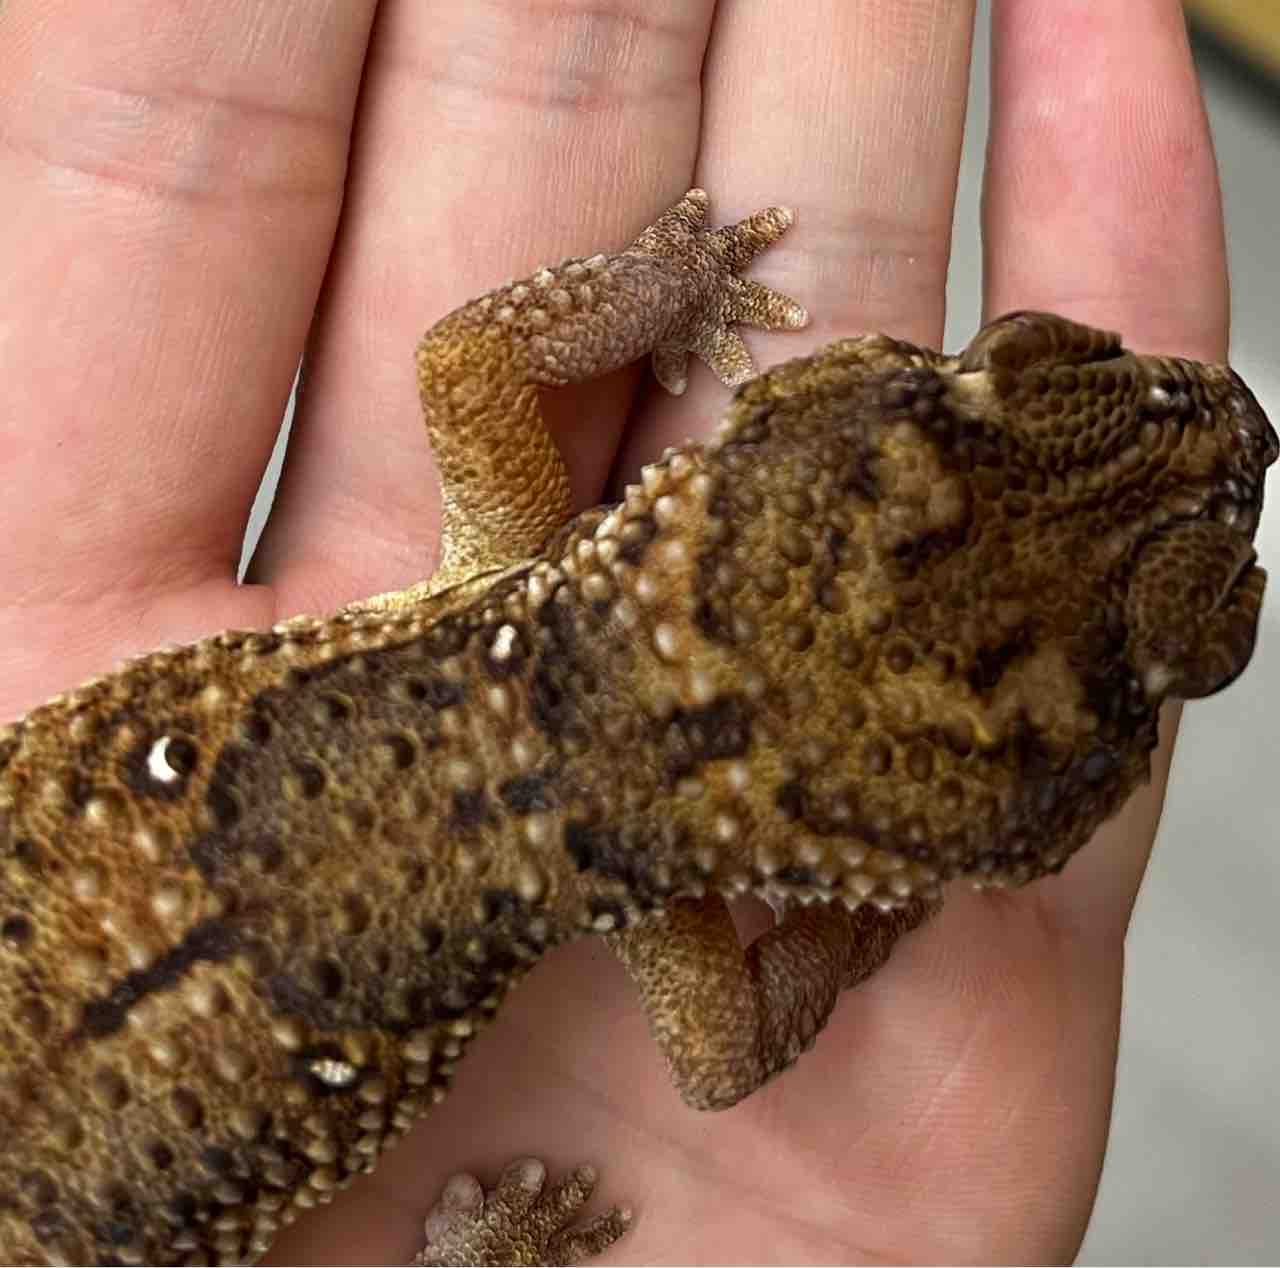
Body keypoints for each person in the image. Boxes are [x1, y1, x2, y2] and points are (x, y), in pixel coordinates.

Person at [0, 1, 1227, 1262]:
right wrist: (857, 925)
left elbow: (470, 360)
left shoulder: (521, 561)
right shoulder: (581, 697)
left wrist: (666, 285)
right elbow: (720, 1055)